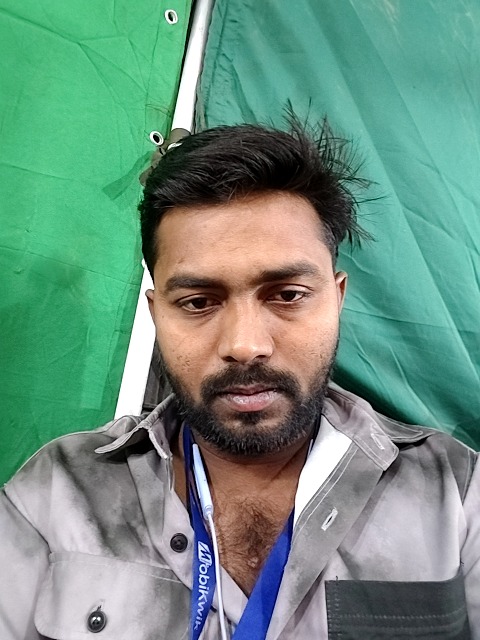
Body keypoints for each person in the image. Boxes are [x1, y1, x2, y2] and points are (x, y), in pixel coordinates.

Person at [1, 119, 479, 640]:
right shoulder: (57, 493)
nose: (245, 345)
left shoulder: (457, 493)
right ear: (156, 313)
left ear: (337, 298)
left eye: (287, 295)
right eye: (198, 302)